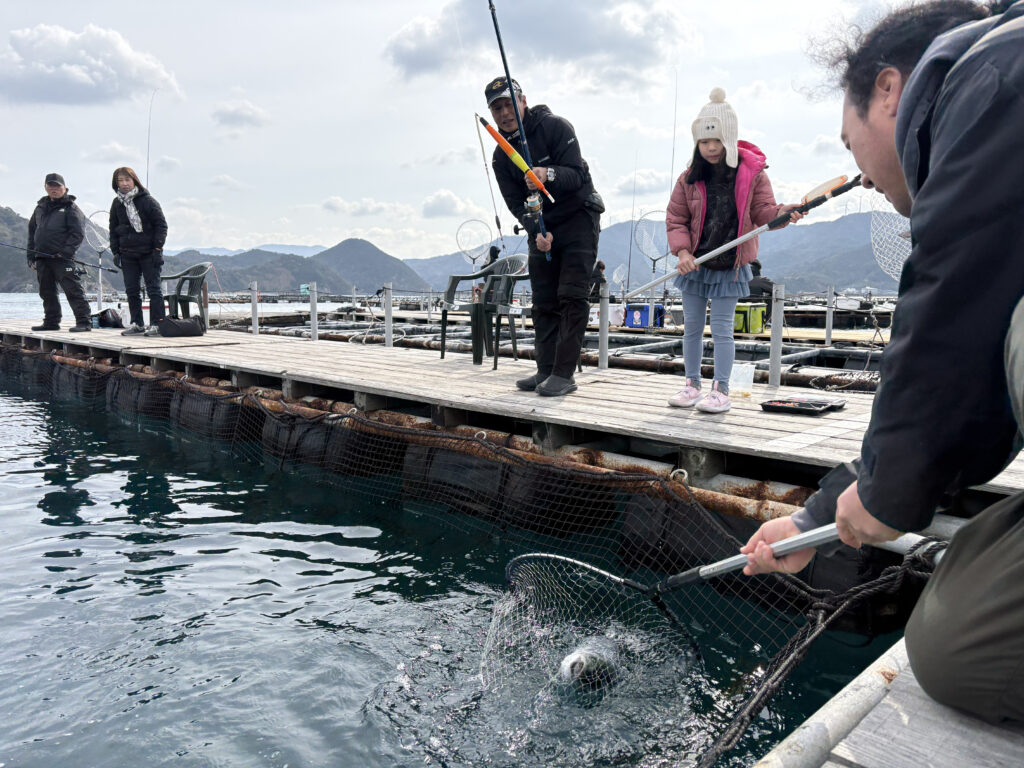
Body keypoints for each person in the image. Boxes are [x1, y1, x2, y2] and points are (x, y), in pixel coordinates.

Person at [742, 0, 1024, 723]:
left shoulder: (992, 78)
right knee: (953, 644)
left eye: (848, 139)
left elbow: (950, 315)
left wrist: (886, 495)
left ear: (891, 90)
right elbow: (969, 406)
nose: (859, 173)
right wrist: (819, 510)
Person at [665, 89, 801, 413]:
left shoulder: (753, 174)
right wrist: (683, 253)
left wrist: (785, 212)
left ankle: (721, 391)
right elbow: (676, 219)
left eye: (717, 140)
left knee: (723, 329)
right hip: (696, 264)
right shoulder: (688, 178)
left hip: (732, 263)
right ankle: (691, 385)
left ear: (730, 139)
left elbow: (765, 213)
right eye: (704, 142)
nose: (711, 147)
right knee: (693, 328)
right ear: (696, 144)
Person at [486, 76, 601, 397]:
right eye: (497, 108)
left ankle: (564, 375)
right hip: (543, 227)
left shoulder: (557, 127)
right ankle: (545, 369)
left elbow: (577, 173)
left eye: (509, 104)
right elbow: (514, 203)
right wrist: (536, 232)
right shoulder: (501, 156)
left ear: (523, 101)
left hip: (579, 218)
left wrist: (547, 174)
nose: (505, 113)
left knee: (571, 296)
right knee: (543, 301)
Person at [26, 173, 92, 332]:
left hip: (63, 259)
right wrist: (30, 255)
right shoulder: (40, 207)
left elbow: (77, 234)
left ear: (65, 188)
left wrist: (65, 253)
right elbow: (32, 231)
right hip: (41, 257)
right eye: (50, 186)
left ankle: (84, 322)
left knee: (73, 290)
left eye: (57, 186)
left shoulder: (72, 208)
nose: (54, 189)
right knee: (46, 292)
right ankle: (51, 322)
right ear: (45, 187)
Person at [108, 166, 168, 336]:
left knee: (154, 289)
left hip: (149, 252)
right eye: (120, 180)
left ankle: (158, 323)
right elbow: (112, 229)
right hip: (127, 253)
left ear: (134, 180)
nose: (124, 184)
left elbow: (161, 225)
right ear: (116, 183)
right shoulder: (116, 203)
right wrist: (116, 252)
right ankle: (137, 323)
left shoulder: (148, 200)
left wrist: (157, 248)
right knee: (131, 290)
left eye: (127, 180)